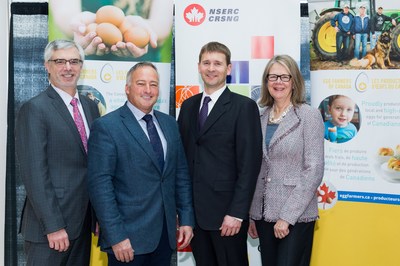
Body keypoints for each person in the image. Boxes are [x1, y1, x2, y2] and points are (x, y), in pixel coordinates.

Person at [87, 62, 194, 265]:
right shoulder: (107, 127)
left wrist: (187, 219)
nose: (148, 90)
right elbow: (100, 187)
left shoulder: (170, 124)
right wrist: (116, 236)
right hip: (127, 239)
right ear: (127, 88)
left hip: (164, 236)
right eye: (141, 83)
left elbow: (180, 175)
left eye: (153, 84)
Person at [15, 39, 100, 265]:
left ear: (81, 66)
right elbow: (35, 174)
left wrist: (98, 215)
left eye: (73, 61)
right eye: (60, 61)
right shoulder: (35, 108)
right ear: (47, 66)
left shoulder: (91, 107)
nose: (67, 67)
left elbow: (93, 165)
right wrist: (54, 226)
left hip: (83, 223)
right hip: (50, 230)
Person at [177, 41, 263, 266]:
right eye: (206, 63)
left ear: (228, 69)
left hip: (227, 216)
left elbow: (249, 166)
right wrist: (182, 211)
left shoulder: (243, 107)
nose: (211, 68)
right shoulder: (187, 107)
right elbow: (181, 161)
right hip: (194, 215)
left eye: (217, 63)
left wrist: (236, 213)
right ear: (198, 67)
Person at [248, 55, 325, 266]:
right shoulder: (259, 116)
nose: (278, 82)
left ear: (294, 82)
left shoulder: (309, 116)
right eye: (272, 77)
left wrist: (287, 217)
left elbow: (314, 169)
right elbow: (256, 167)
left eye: (284, 77)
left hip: (296, 217)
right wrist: (253, 214)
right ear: (266, 82)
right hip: (263, 216)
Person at [49, 0, 173, 60]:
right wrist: (81, 26)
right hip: (89, 68)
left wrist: (146, 31)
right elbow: (65, 13)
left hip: (143, 69)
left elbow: (162, 23)